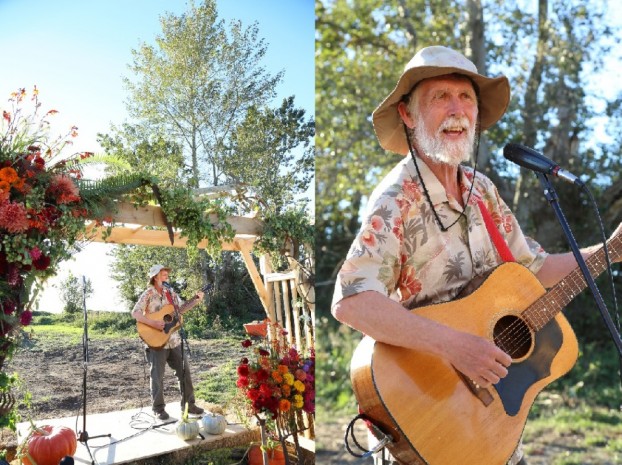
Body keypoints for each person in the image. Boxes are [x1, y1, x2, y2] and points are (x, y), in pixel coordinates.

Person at [331, 46, 622, 465]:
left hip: (494, 432)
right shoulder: (396, 199)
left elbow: (535, 270)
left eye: (466, 97)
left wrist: (610, 250)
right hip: (430, 420)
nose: (457, 109)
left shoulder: (481, 188)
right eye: (440, 97)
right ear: (408, 116)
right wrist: (454, 346)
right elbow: (352, 302)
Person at [132, 264, 205, 420]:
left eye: (166, 273)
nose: (166, 274)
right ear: (155, 276)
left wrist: (196, 300)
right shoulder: (148, 294)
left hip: (174, 340)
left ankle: (189, 405)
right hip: (156, 342)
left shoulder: (170, 292)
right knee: (157, 376)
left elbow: (181, 308)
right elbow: (135, 313)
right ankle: (158, 409)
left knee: (184, 372)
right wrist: (154, 324)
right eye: (163, 272)